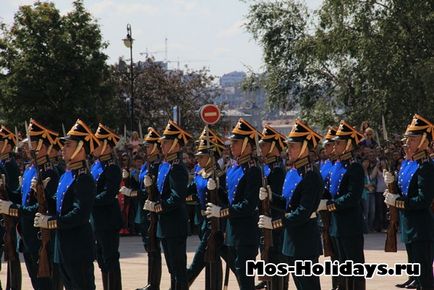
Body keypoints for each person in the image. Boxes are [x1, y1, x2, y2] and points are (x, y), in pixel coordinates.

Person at [33, 119, 99, 290]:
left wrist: (51, 222)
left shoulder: (84, 178)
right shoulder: (66, 175)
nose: (63, 148)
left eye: (68, 145)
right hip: (64, 245)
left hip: (78, 246)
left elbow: (80, 214)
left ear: (81, 149)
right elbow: (59, 206)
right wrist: (42, 191)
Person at [259, 119, 323, 290]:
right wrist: (272, 197)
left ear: (305, 148)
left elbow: (302, 211)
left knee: (309, 286)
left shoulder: (311, 175)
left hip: (305, 240)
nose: (288, 150)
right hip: (293, 239)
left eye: (293, 146)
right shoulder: (292, 171)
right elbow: (288, 204)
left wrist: (274, 224)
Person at [0, 120, 62, 290]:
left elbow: (44, 207)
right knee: (36, 281)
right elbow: (20, 195)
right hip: (27, 233)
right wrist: (4, 190)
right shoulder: (30, 169)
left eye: (32, 143)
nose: (26, 148)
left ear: (42, 145)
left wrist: (14, 209)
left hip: (40, 235)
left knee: (45, 283)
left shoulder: (48, 172)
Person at [206, 118, 261, 290]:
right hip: (232, 232)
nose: (231, 146)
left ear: (247, 145)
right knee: (241, 277)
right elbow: (230, 199)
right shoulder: (233, 169)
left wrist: (221, 212)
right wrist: (216, 189)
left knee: (246, 280)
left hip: (246, 233)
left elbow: (248, 205)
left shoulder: (253, 171)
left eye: (236, 142)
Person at [383, 114, 434, 289]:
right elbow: (402, 190)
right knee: (417, 273)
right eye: (408, 139)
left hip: (421, 227)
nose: (407, 143)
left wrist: (398, 202)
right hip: (409, 223)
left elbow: (423, 200)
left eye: (413, 139)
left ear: (424, 142)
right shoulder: (409, 164)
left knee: (425, 277)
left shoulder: (426, 167)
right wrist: (391, 185)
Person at [317, 120, 366, 290]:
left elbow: (352, 197)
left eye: (338, 143)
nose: (334, 146)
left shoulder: (355, 168)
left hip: (350, 225)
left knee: (354, 268)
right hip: (335, 225)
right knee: (341, 268)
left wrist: (329, 205)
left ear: (348, 145)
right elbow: (329, 191)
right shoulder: (335, 166)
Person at [144, 120, 192, 290]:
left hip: (175, 224)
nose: (161, 145)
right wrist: (150, 189)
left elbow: (177, 197)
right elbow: (161, 193)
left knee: (178, 270)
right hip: (165, 225)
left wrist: (158, 206)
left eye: (166, 142)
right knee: (172, 268)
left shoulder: (177, 168)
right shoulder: (165, 166)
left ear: (176, 146)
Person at [186, 127, 227, 289]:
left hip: (216, 222)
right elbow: (193, 191)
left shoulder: (219, 175)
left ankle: (183, 283)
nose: (198, 160)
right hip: (204, 221)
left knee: (201, 258)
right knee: (216, 258)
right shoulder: (200, 173)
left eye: (202, 157)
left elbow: (225, 201)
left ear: (211, 157)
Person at [255, 125, 288, 290]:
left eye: (263, 145)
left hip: (275, 225)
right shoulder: (267, 169)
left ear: (274, 147)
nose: (260, 148)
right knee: (269, 265)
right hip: (265, 224)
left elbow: (279, 203)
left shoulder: (277, 171)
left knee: (278, 268)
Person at [91, 123, 123, 290]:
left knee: (110, 259)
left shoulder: (112, 168)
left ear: (106, 146)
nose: (93, 148)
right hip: (97, 219)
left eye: (97, 144)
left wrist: (89, 200)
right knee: (102, 259)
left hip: (108, 220)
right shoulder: (96, 165)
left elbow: (108, 194)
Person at [134, 127, 163, 290]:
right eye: (146, 146)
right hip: (143, 209)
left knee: (153, 249)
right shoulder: (147, 165)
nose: (147, 149)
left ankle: (154, 283)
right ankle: (150, 282)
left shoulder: (157, 166)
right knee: (149, 248)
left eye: (150, 146)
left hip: (152, 211)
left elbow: (154, 191)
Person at [0, 125, 22, 290]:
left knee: (12, 256)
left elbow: (13, 192)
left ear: (7, 144)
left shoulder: (9, 164)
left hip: (6, 216)